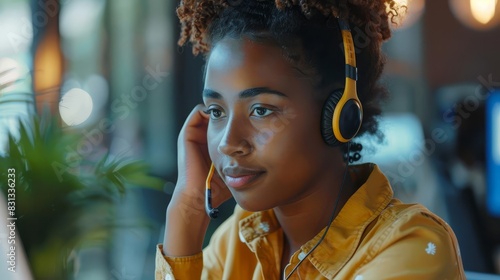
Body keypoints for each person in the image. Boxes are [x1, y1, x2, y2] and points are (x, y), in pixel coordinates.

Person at [156, 0, 466, 279]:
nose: (227, 143)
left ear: (340, 116)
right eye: (216, 111)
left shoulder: (411, 246)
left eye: (261, 110)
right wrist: (189, 208)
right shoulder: (238, 239)